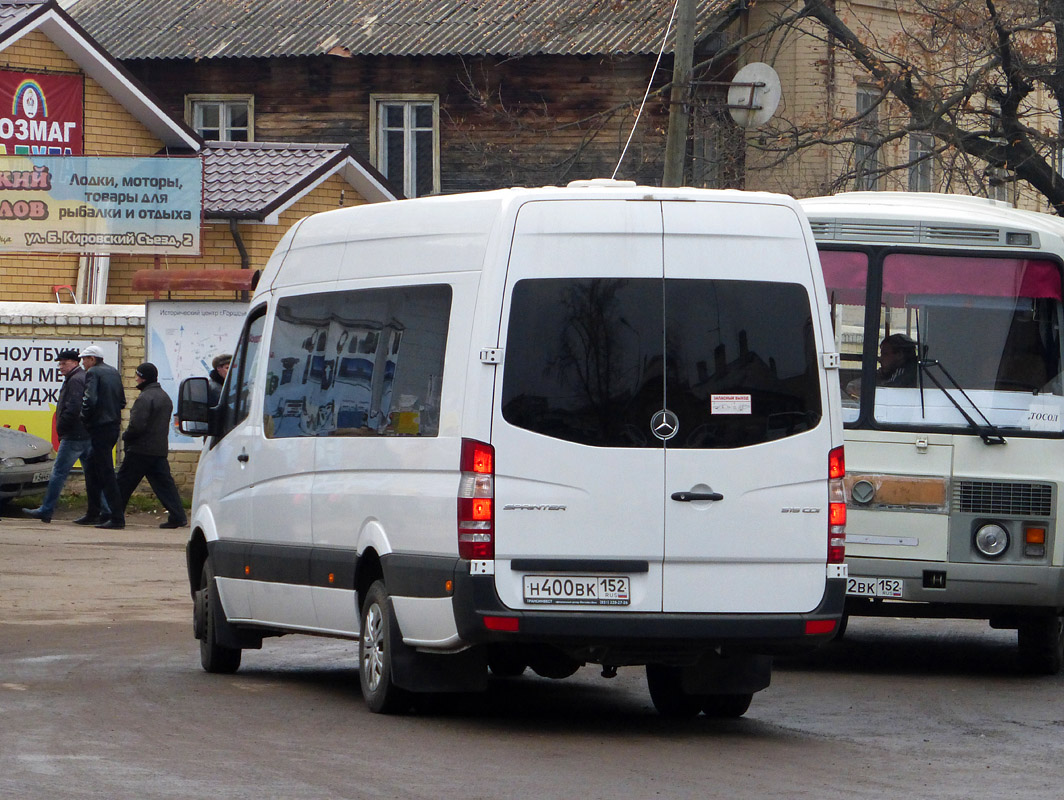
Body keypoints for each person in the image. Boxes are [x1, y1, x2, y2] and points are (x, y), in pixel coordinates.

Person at [115, 362, 188, 529]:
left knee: (122, 484)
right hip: (158, 449)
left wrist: (127, 436)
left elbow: (137, 426)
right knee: (165, 486)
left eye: (138, 376)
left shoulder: (145, 398)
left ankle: (114, 517)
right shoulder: (164, 396)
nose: (136, 379)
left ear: (143, 378)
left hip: (140, 450)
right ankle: (178, 516)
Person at [24, 350, 91, 524]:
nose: (60, 367)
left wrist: (61, 427)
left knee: (58, 472)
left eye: (63, 363)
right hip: (84, 433)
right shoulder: (79, 377)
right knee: (93, 473)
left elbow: (74, 407)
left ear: (75, 362)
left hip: (74, 434)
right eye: (59, 363)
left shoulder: (76, 379)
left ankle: (46, 510)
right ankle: (104, 510)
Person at [77, 345, 126, 529]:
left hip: (99, 427)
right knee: (91, 466)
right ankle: (93, 512)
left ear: (92, 359)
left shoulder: (93, 373)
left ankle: (116, 517)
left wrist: (84, 417)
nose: (83, 363)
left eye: (85, 359)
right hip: (112, 426)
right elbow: (121, 401)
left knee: (106, 472)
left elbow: (89, 400)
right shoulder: (113, 372)